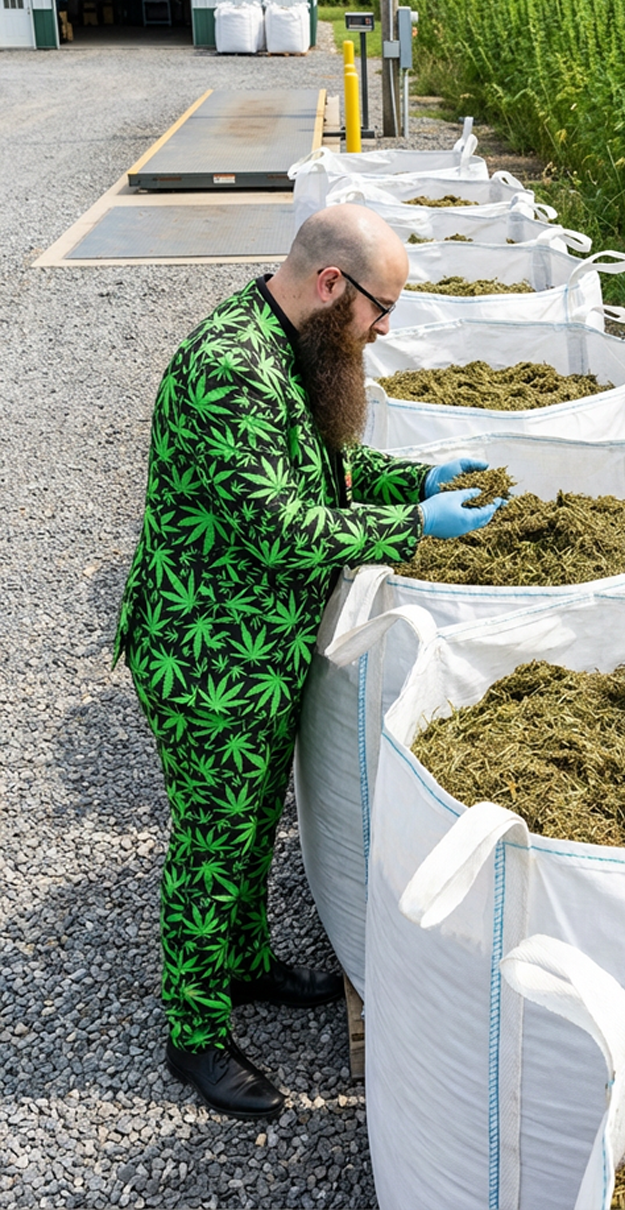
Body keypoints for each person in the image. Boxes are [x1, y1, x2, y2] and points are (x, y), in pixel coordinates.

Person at [115, 204, 501, 1119]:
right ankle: (195, 1031)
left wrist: (415, 480)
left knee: (250, 820)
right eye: (381, 309)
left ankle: (242, 962)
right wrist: (411, 529)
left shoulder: (295, 344)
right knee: (214, 840)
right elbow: (285, 528)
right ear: (333, 285)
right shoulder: (229, 370)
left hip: (260, 644)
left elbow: (321, 473)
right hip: (207, 652)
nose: (383, 329)